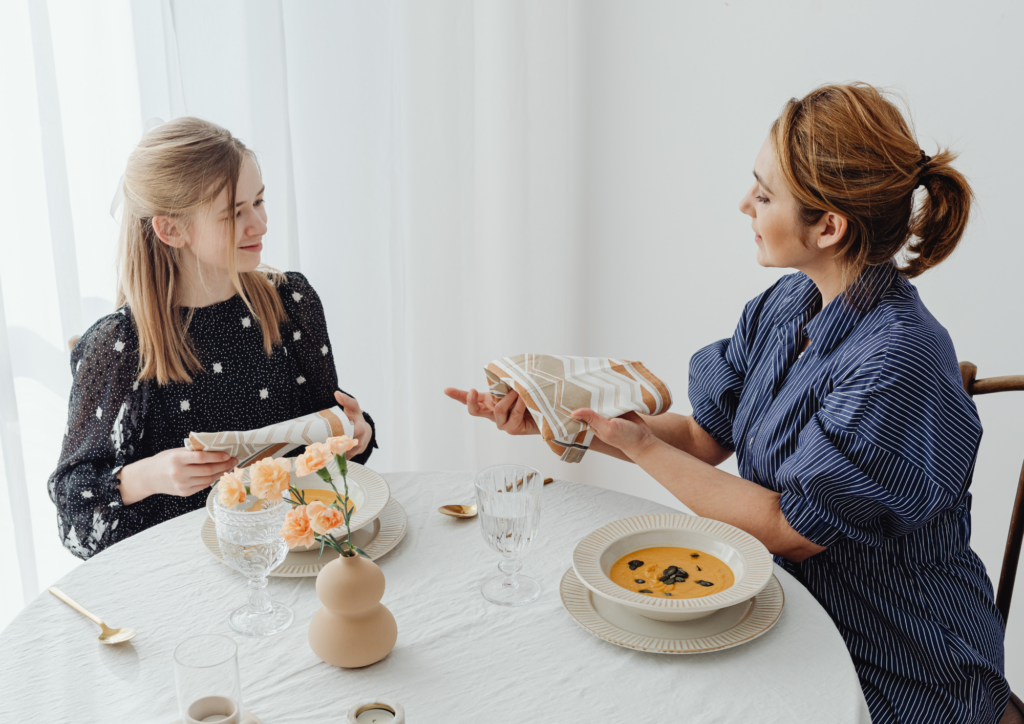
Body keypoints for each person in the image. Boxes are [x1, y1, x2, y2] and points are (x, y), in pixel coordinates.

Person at [445, 83, 1009, 723]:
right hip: (786, 607)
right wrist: (567, 421)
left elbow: (789, 530)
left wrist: (642, 445)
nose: (744, 204)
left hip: (898, 648)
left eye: (764, 196)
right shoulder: (788, 305)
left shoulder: (895, 360)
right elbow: (703, 438)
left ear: (829, 226)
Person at [49, 117, 376, 560]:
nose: (259, 224)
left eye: (259, 201)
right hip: (181, 574)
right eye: (234, 213)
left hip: (292, 558)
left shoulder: (292, 301)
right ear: (171, 230)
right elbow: (73, 510)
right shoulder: (120, 345)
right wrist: (150, 475)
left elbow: (323, 442)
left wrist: (356, 432)